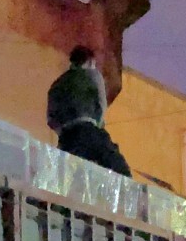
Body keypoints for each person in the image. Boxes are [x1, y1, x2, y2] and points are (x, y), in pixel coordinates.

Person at [46, 46, 132, 177]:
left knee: (65, 173)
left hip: (66, 136)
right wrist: (98, 125)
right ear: (90, 61)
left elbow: (51, 118)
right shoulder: (92, 75)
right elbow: (101, 104)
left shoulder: (57, 84)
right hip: (87, 128)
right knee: (117, 165)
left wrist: (63, 132)